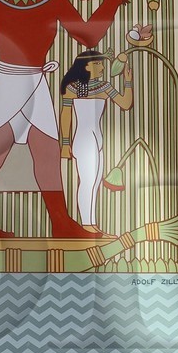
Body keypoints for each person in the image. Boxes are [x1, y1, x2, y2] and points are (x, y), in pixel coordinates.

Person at [0, 0, 132, 239]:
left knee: (48, 154)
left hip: (37, 82)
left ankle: (61, 223)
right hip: (7, 82)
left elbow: (87, 36)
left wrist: (112, 0)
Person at [58, 49, 134, 233]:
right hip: (84, 139)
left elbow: (125, 103)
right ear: (86, 66)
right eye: (98, 63)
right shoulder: (74, 87)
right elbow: (66, 114)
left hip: (97, 139)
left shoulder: (104, 86)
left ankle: (92, 224)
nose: (102, 67)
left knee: (96, 181)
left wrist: (128, 81)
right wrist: (65, 143)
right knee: (87, 182)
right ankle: (87, 224)